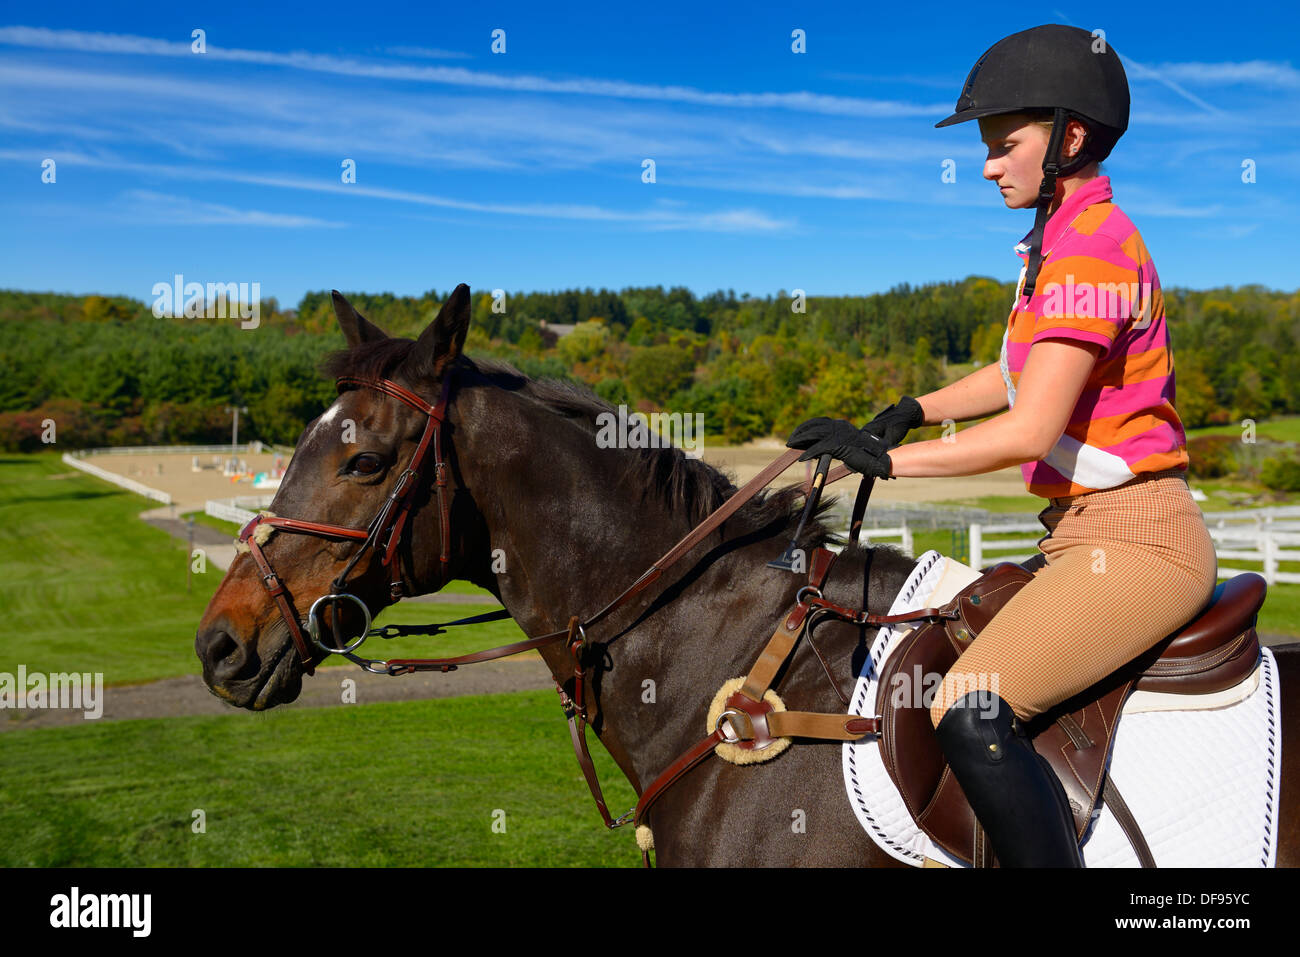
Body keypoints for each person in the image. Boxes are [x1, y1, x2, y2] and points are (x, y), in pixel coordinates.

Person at [787, 24, 1217, 867]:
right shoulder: (1052, 246)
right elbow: (1013, 375)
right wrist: (912, 408)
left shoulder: (1095, 247)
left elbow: (1029, 428)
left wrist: (885, 464)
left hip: (1140, 542)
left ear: (1071, 138)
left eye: (1003, 144)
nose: (988, 164)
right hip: (1082, 535)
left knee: (969, 703)